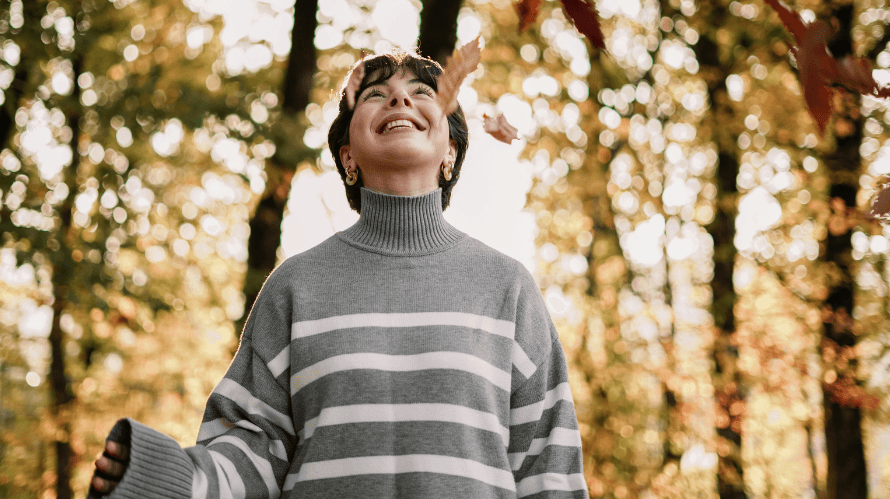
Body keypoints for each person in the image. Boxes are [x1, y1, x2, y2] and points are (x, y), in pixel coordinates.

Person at [89, 48, 588, 498]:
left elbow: (550, 470)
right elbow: (254, 449)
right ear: (347, 155)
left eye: (422, 93)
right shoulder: (295, 287)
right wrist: (170, 477)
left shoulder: (508, 288)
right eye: (376, 94)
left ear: (451, 151)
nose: (399, 99)